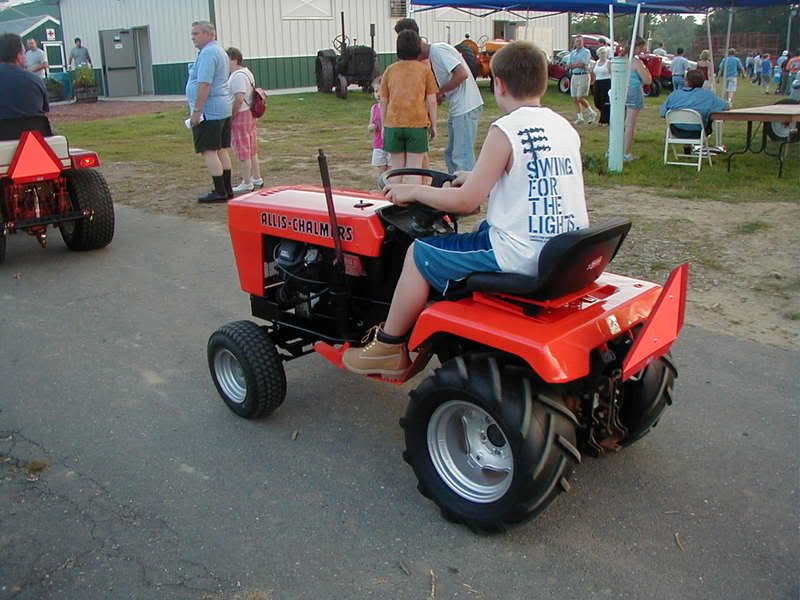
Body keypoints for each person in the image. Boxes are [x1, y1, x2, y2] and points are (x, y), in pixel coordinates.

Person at [342, 41, 589, 377]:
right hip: (559, 250)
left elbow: (466, 203)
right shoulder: (563, 127)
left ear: (498, 84)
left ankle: (388, 345)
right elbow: (529, 176)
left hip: (521, 255)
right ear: (543, 82)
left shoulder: (507, 129)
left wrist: (413, 189)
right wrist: (474, 176)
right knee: (480, 232)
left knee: (418, 254)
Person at [394, 18, 483, 174]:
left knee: (462, 157)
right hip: (458, 109)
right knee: (450, 155)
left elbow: (461, 75)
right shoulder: (433, 57)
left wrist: (439, 92)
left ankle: (466, 193)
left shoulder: (439, 50)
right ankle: (455, 190)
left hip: (466, 108)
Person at [380, 30, 438, 184]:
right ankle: (415, 203)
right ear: (418, 48)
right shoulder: (425, 71)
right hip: (417, 125)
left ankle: (394, 202)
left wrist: (384, 124)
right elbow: (432, 100)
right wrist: (434, 125)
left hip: (393, 124)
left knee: (396, 168)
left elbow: (383, 100)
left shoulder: (390, 70)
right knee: (415, 169)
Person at [186, 21, 233, 203]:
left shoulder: (208, 53)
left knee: (208, 150)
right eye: (192, 34)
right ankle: (227, 189)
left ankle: (220, 191)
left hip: (210, 111)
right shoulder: (219, 51)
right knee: (220, 149)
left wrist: (197, 110)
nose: (193, 37)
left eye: (196, 34)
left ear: (208, 34)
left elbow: (204, 83)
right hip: (222, 108)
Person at [225, 46, 263, 194]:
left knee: (243, 149)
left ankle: (247, 181)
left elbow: (239, 98)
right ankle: (256, 177)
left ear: (234, 59)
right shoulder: (246, 73)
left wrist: (232, 115)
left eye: (226, 60)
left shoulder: (237, 76)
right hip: (249, 113)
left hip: (241, 114)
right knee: (251, 147)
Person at [0, 33, 52, 141]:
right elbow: (45, 112)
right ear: (19, 56)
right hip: (35, 142)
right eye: (24, 53)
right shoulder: (36, 81)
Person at [659, 69, 728, 140]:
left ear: (686, 81)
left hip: (676, 131)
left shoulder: (674, 94)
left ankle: (687, 150)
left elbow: (662, 113)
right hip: (699, 132)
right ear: (703, 81)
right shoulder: (708, 95)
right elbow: (725, 106)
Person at [623, 37, 652, 162]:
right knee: (630, 124)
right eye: (640, 48)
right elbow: (647, 80)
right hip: (633, 92)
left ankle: (615, 149)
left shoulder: (618, 59)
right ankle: (626, 152)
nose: (642, 51)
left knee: (619, 123)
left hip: (620, 92)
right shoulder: (636, 62)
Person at [567, 36, 595, 125]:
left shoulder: (586, 52)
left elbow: (583, 64)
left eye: (579, 41)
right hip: (574, 75)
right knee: (575, 98)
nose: (578, 43)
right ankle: (580, 117)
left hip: (583, 75)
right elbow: (568, 64)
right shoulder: (573, 53)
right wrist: (575, 65)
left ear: (582, 42)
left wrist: (574, 65)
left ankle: (591, 112)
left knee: (580, 97)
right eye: (576, 41)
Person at [368, 75, 389, 178]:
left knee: (392, 169)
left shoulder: (391, 107)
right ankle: (382, 188)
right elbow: (370, 124)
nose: (378, 94)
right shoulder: (374, 108)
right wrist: (372, 126)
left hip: (390, 143)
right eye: (376, 91)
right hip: (379, 144)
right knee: (381, 170)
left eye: (381, 91)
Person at [591, 46, 611, 126]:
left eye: (604, 53)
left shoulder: (608, 63)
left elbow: (611, 73)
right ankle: (605, 116)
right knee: (597, 102)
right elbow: (594, 72)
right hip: (598, 82)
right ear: (598, 54)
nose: (603, 55)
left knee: (604, 102)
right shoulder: (596, 63)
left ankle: (603, 120)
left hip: (606, 82)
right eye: (601, 53)